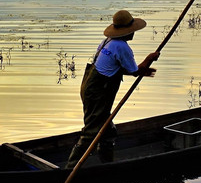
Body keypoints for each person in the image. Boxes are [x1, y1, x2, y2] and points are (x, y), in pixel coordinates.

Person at [66, 9, 160, 168]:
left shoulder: (108, 41)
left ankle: (107, 165)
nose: (133, 33)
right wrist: (150, 58)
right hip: (98, 93)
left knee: (108, 131)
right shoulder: (121, 46)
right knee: (91, 131)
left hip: (89, 88)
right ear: (126, 31)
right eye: (132, 30)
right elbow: (134, 71)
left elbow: (117, 68)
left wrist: (143, 71)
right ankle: (70, 168)